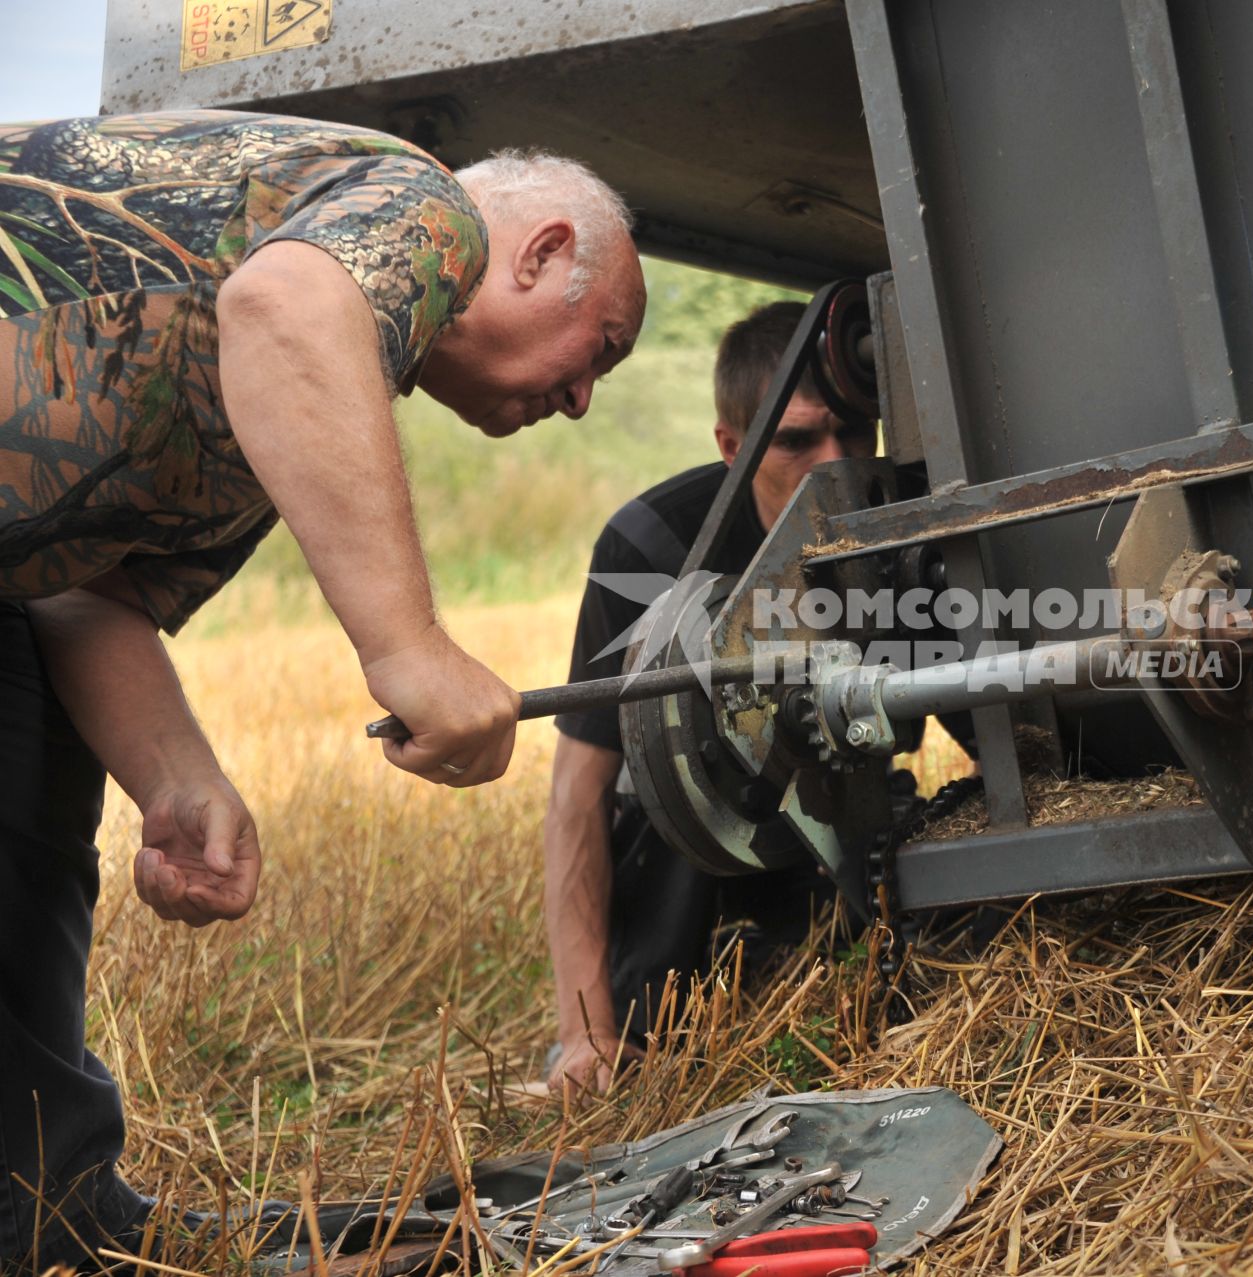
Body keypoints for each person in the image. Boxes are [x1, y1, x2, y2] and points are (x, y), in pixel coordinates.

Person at [0, 111, 645, 1269]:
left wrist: (175, 777)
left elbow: (84, 587)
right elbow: (287, 307)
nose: (587, 396)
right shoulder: (422, 205)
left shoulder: (266, 417)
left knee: (25, 803)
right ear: (539, 252)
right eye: (603, 343)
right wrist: (406, 642)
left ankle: (45, 1213)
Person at [543, 301, 879, 1092]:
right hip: (696, 844)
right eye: (797, 440)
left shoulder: (902, 520)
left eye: (854, 432)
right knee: (680, 788)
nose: (834, 463)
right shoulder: (652, 547)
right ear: (733, 447)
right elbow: (577, 795)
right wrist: (582, 1032)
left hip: (845, 812)